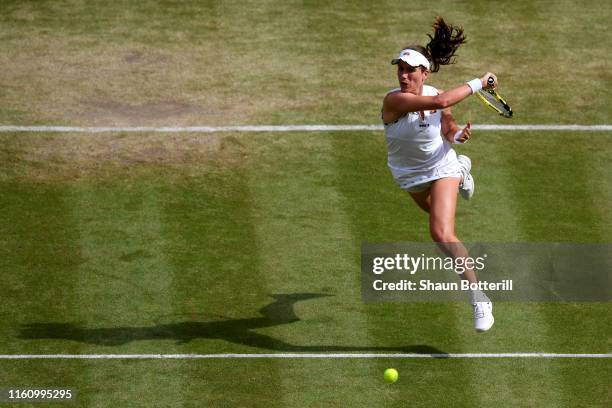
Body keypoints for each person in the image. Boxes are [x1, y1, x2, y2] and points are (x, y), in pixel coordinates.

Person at [381, 16, 495, 332]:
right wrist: (479, 82)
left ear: (424, 73)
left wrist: (456, 136)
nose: (403, 75)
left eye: (409, 70)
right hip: (408, 175)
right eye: (400, 69)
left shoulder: (436, 93)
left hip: (439, 164)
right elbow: (442, 101)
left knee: (441, 234)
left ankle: (479, 298)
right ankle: (462, 170)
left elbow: (447, 124)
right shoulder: (394, 100)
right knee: (434, 215)